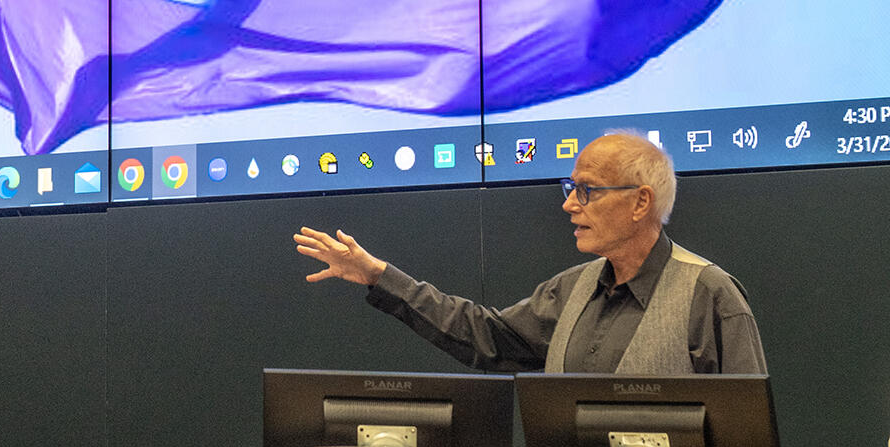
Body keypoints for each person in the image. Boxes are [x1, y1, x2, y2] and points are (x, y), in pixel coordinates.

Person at [293, 131, 765, 377]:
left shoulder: (709, 293)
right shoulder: (572, 289)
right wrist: (379, 276)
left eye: (587, 191)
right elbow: (487, 336)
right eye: (570, 188)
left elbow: (746, 430)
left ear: (641, 202)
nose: (568, 204)